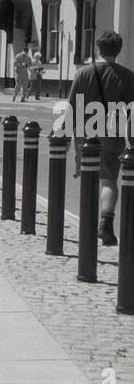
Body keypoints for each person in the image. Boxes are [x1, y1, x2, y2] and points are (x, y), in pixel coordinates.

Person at [65, 30, 134, 246]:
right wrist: (131, 141)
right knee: (109, 181)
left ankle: (87, 227)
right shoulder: (127, 76)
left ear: (98, 49)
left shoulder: (83, 73)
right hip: (113, 137)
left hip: (87, 137)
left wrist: (67, 139)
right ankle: (106, 221)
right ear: (119, 50)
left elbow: (72, 108)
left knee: (88, 180)